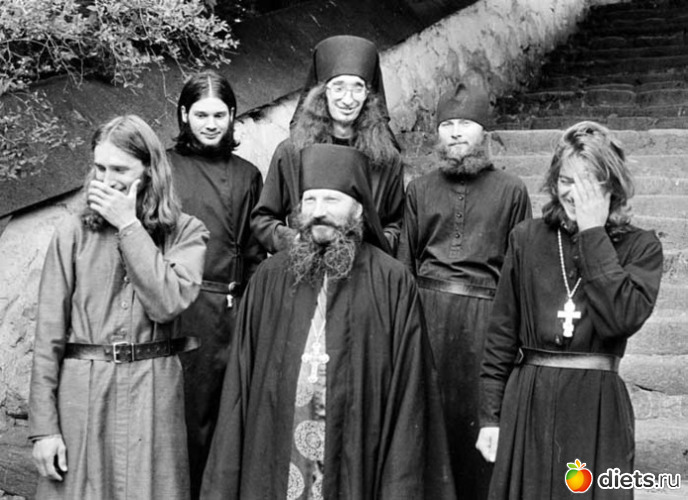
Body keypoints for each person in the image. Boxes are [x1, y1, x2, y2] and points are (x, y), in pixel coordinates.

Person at [201, 143, 456, 500]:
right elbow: (240, 385)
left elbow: (410, 390)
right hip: (277, 449)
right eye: (310, 200)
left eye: (331, 200)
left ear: (358, 208)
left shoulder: (392, 282)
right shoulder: (270, 277)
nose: (318, 212)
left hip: (356, 455)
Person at [477, 121, 663, 499]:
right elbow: (501, 336)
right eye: (565, 180)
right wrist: (489, 417)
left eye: (588, 182)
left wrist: (593, 233)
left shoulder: (641, 248)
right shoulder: (526, 238)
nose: (573, 193)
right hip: (529, 401)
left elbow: (620, 319)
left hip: (596, 407)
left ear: (612, 185)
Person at [29, 115, 209, 499]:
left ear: (150, 171)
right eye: (100, 168)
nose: (107, 180)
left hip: (152, 391)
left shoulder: (187, 232)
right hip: (83, 392)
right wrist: (44, 429)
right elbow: (48, 336)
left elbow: (167, 303)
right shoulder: (73, 231)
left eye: (120, 170)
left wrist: (128, 226)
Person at [397, 81, 532, 498]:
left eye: (466, 124)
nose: (456, 132)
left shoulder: (512, 190)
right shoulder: (419, 189)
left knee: (480, 427)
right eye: (448, 125)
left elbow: (519, 269)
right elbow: (405, 263)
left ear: (484, 132)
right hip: (428, 315)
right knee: (427, 421)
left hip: (485, 319)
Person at [167, 69, 266, 499]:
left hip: (232, 311)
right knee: (183, 416)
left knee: (226, 417)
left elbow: (256, 252)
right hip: (178, 309)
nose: (211, 124)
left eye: (219, 115)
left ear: (232, 116)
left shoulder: (247, 175)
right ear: (184, 115)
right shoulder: (165, 168)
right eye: (201, 114)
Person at [250, 35, 404, 255]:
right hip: (303, 265)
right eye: (338, 88)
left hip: (366, 269)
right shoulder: (290, 152)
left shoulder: (388, 158)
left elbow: (397, 224)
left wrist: (371, 249)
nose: (348, 100)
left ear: (368, 95)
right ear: (322, 93)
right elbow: (263, 219)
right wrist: (295, 241)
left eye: (357, 88)